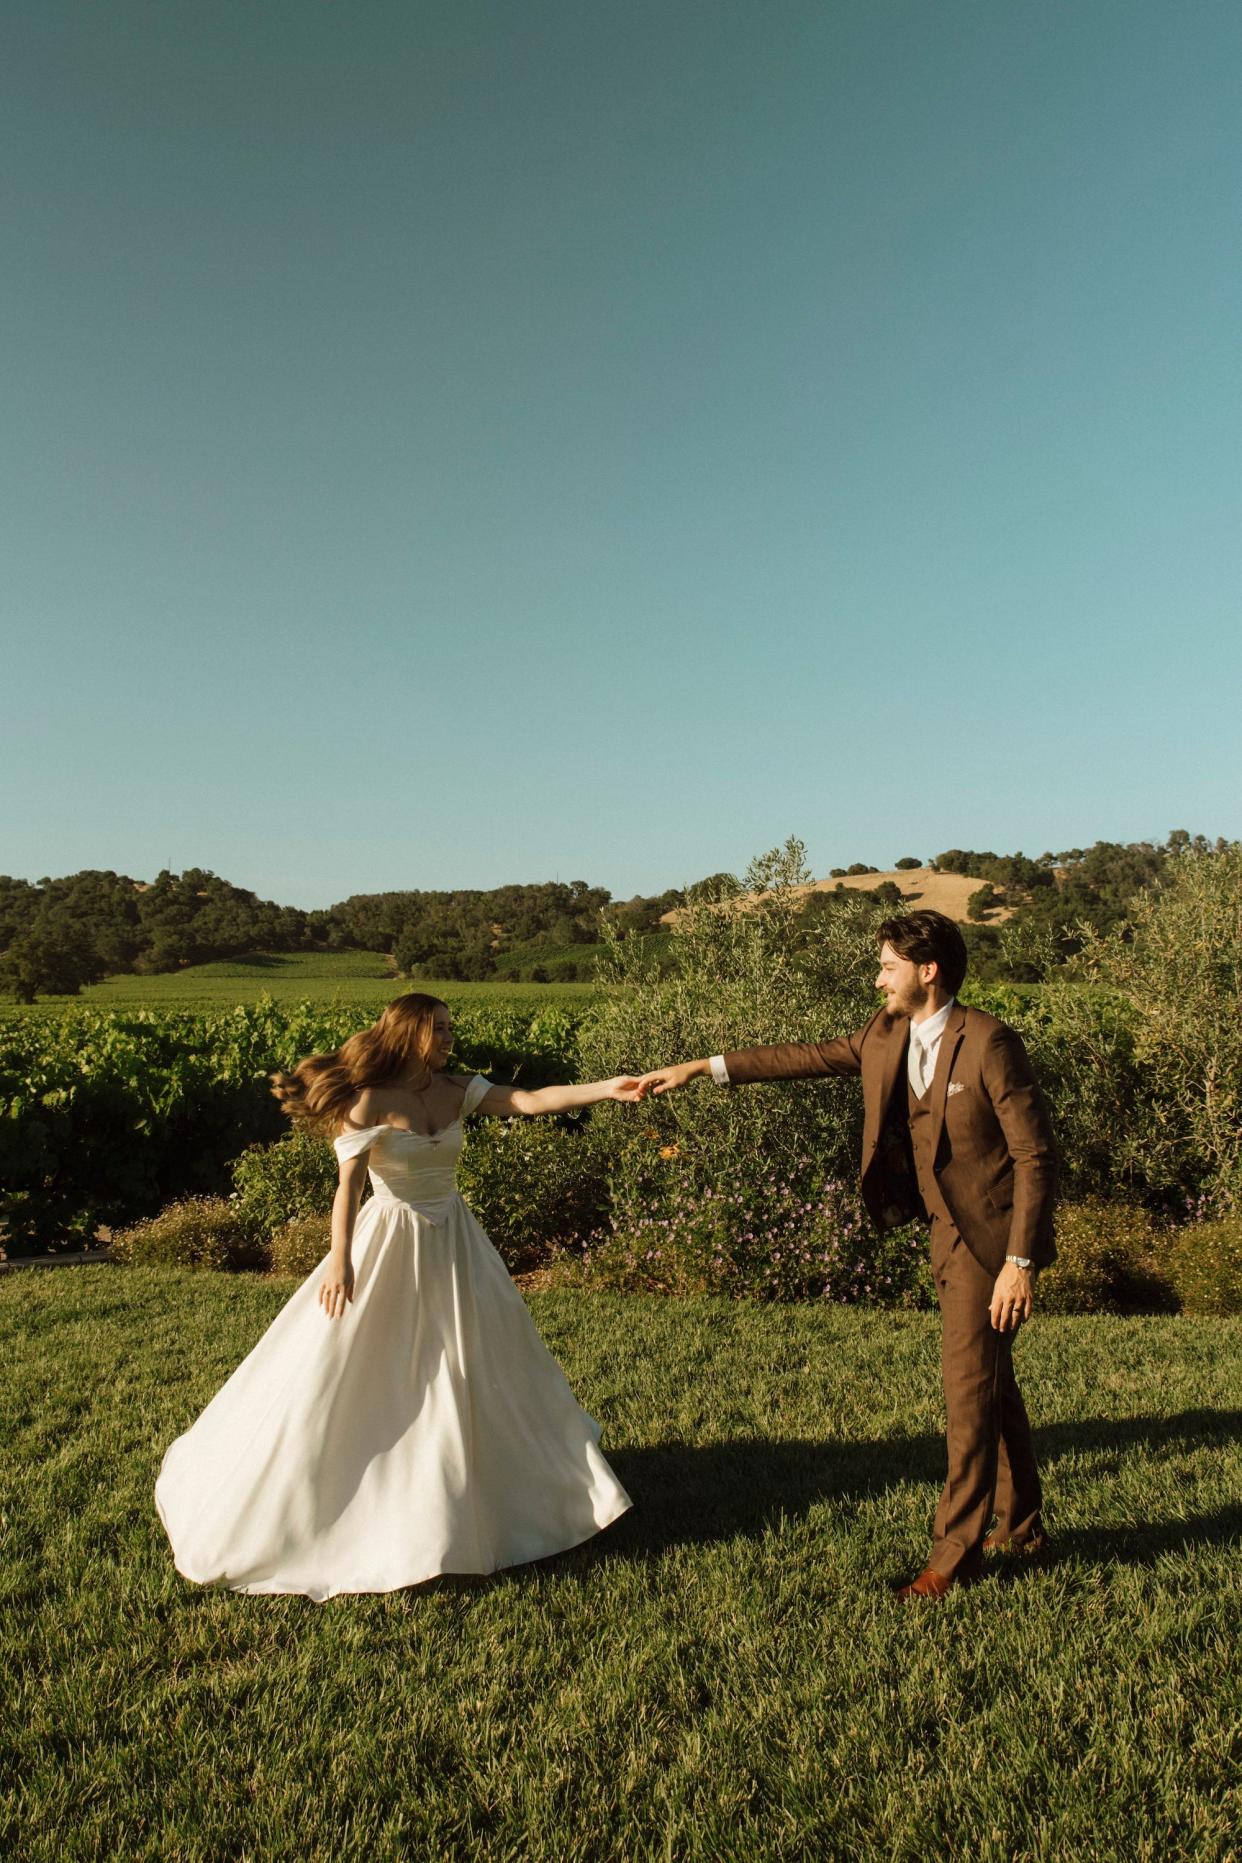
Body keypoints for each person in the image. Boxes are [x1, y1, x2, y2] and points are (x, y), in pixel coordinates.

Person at [155, 993, 637, 1600]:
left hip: (456, 1240)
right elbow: (348, 1190)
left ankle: (481, 1494)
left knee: (467, 1362)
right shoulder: (364, 1103)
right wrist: (339, 1262)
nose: (449, 1039)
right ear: (410, 1033)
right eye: (439, 1030)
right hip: (391, 1238)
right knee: (367, 1365)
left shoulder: (459, 1087)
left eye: (450, 1029)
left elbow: (531, 1101)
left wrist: (607, 1088)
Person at [637, 910, 1057, 1603]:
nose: (877, 977)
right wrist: (699, 1068)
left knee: (966, 1395)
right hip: (943, 1233)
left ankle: (952, 1558)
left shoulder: (987, 1040)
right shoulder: (885, 1032)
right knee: (989, 1383)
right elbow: (801, 1057)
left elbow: (1035, 1156)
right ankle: (1020, 1524)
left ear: (928, 970)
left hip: (991, 1238)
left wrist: (1020, 1262)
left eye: (887, 965)